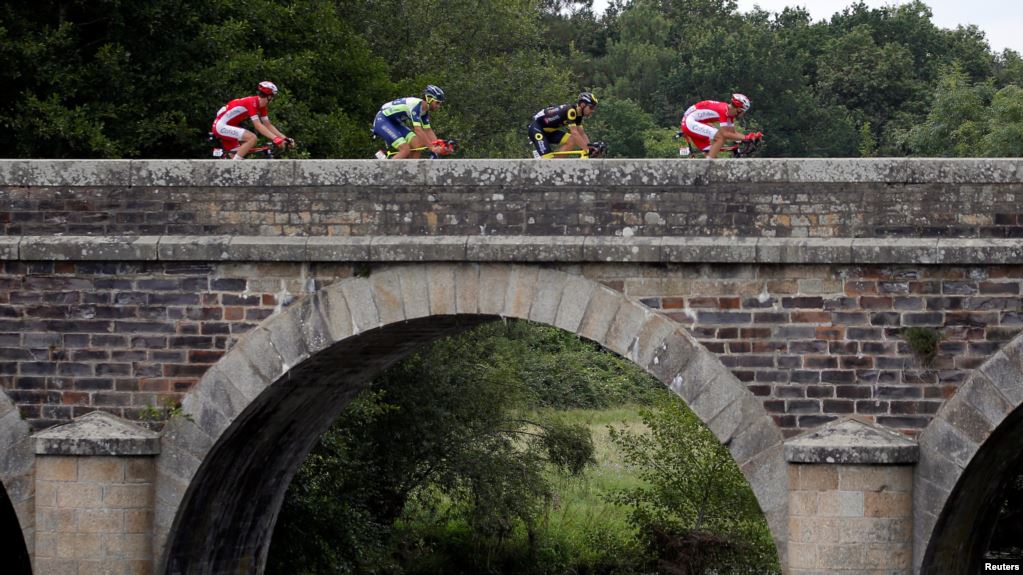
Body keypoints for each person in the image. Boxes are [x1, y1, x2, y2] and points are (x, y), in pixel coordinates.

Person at [211, 81, 292, 160]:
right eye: (273, 97)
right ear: (269, 97)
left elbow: (268, 125)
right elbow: (258, 125)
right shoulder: (252, 102)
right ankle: (234, 165)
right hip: (221, 126)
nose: (272, 99)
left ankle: (233, 165)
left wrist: (285, 139)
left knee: (239, 160)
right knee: (252, 138)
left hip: (227, 126)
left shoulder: (262, 107)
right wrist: (275, 138)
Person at [373, 85, 447, 159]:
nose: (439, 106)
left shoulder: (424, 111)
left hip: (395, 123)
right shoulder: (416, 106)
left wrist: (437, 146)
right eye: (437, 103)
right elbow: (418, 130)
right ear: (429, 99)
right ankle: (386, 169)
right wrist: (432, 148)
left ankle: (411, 169)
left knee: (417, 145)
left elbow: (428, 130)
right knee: (405, 150)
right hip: (383, 120)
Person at [679, 93, 759, 159]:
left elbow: (732, 132)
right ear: (739, 109)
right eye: (743, 112)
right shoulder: (723, 110)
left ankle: (706, 171)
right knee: (720, 137)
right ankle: (708, 164)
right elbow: (725, 134)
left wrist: (750, 137)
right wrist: (746, 137)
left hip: (694, 121)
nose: (743, 114)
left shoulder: (729, 114)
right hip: (690, 121)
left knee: (711, 152)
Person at [528, 92, 598, 159]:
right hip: (537, 129)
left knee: (572, 140)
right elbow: (575, 133)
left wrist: (590, 147)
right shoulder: (571, 111)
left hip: (549, 131)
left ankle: (556, 164)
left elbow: (581, 133)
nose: (592, 110)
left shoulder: (579, 114)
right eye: (591, 107)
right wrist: (586, 150)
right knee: (547, 160)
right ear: (583, 105)